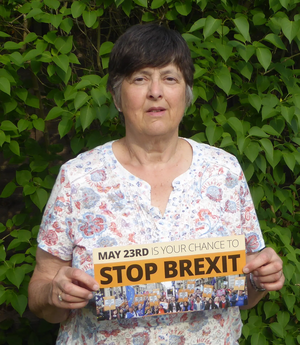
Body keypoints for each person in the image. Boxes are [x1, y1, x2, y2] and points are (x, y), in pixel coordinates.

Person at [28, 23, 284, 344]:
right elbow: (40, 297)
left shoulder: (224, 171)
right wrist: (55, 292)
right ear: (117, 96)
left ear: (186, 93)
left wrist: (261, 280)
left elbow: (240, 294)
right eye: (139, 78)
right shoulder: (78, 179)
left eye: (170, 77)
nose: (155, 91)